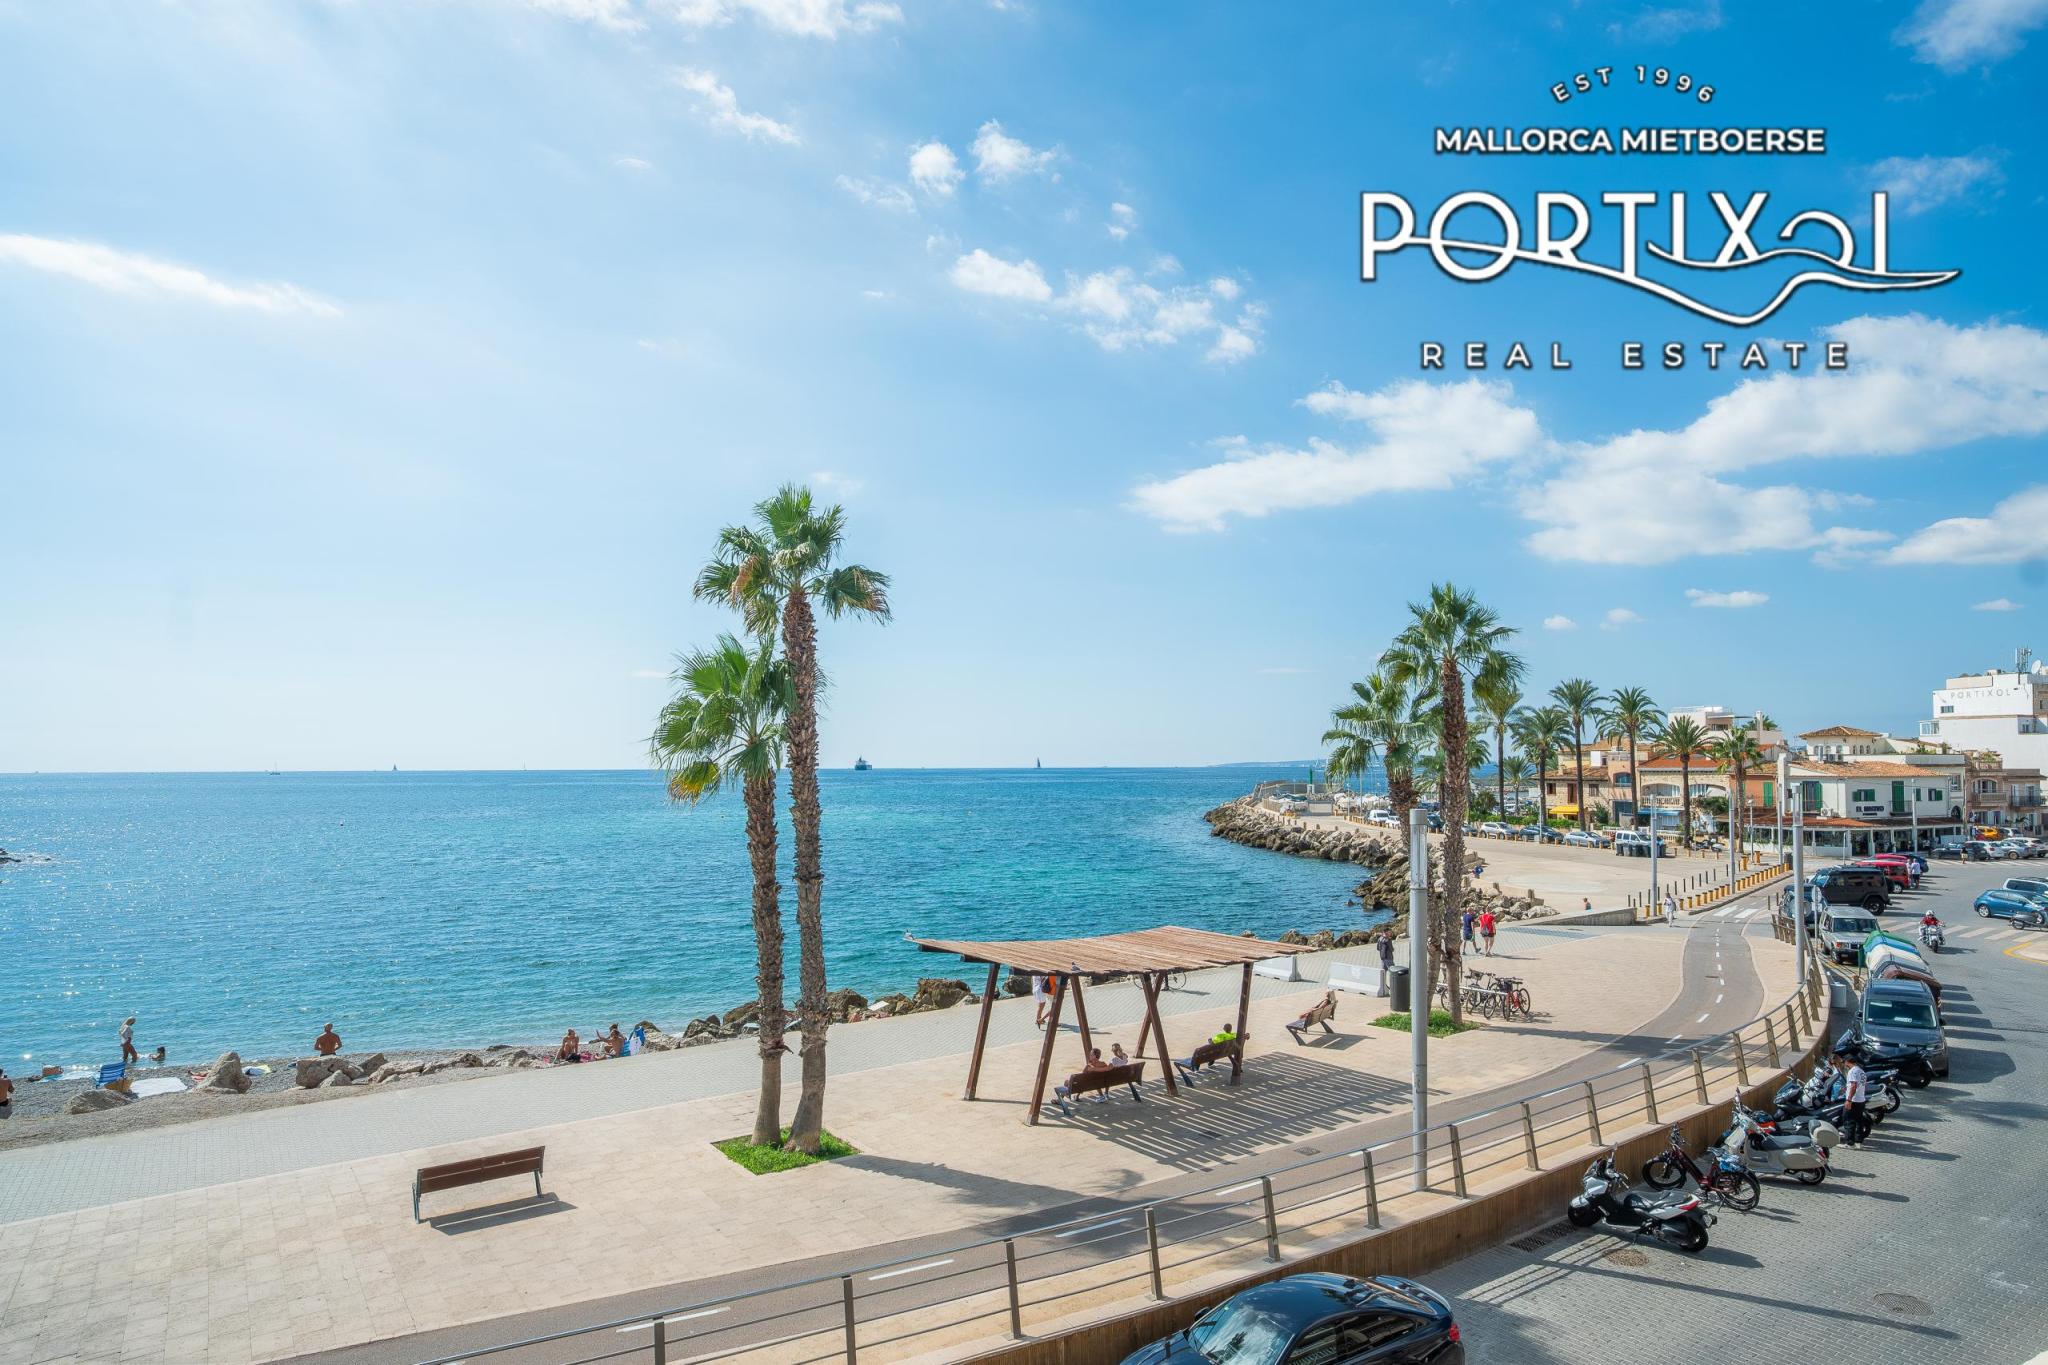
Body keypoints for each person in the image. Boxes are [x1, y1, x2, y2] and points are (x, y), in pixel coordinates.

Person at [1839, 1052, 1870, 1147]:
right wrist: (1846, 1088)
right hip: (1861, 1100)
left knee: (1848, 1121)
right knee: (1859, 1121)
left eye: (1844, 1062)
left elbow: (1854, 1085)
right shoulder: (1861, 1071)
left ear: (1848, 1061)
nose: (1844, 1064)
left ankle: (1849, 1143)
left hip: (1853, 1100)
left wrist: (1849, 1100)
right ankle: (1858, 1141)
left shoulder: (1852, 1071)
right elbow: (1864, 1085)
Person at [1377, 929, 1396, 996]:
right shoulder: (1388, 940)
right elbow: (1391, 949)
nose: (1390, 933)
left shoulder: (1380, 939)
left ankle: (1384, 986)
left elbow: (1378, 948)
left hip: (1382, 958)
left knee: (1383, 973)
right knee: (1393, 972)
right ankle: (1394, 986)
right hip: (1389, 958)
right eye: (1389, 932)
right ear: (1386, 933)